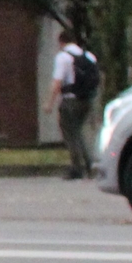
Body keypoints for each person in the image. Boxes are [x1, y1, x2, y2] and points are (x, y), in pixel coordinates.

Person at [49, 29, 100, 180]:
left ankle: (76, 168)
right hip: (87, 100)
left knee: (70, 134)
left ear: (61, 42)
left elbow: (57, 82)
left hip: (70, 100)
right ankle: (90, 164)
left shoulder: (63, 57)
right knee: (80, 131)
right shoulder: (89, 56)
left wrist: (49, 103)